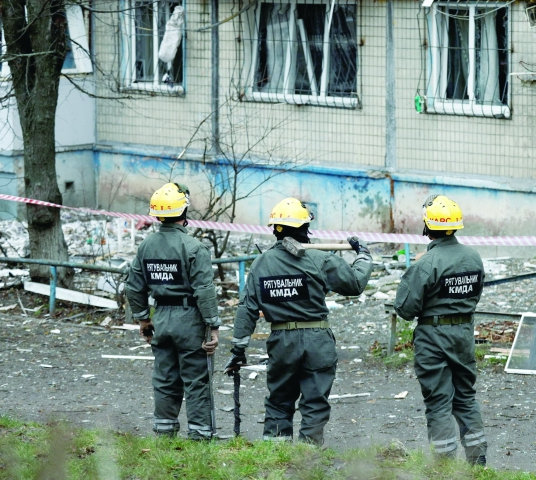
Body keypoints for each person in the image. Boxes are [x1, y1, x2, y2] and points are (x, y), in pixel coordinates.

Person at [224, 197, 372, 445]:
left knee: (279, 400)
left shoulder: (261, 263)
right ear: (305, 228)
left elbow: (247, 309)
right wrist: (363, 255)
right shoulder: (319, 258)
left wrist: (238, 349)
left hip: (281, 342)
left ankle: (276, 457)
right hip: (317, 340)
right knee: (314, 401)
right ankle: (307, 458)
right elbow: (355, 284)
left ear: (275, 230)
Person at [394, 194, 487, 466]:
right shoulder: (474, 258)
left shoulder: (425, 263)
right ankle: (477, 463)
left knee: (438, 402)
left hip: (433, 338)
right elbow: (475, 294)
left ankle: (444, 466)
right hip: (464, 335)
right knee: (466, 398)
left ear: (428, 226)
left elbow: (405, 309)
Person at [126, 182, 221, 440]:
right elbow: (204, 290)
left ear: (157, 214)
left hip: (161, 319)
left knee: (165, 379)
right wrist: (213, 325)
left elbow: (134, 287)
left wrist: (144, 320)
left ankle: (164, 435)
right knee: (196, 380)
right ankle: (200, 438)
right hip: (190, 320)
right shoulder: (194, 247)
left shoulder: (146, 246)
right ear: (184, 212)